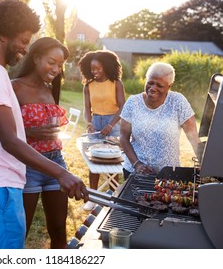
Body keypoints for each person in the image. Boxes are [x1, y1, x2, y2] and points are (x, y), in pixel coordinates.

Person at [0, 0, 88, 249]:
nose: (25, 48)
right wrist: (60, 173)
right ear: (3, 35)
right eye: (23, 40)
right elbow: (9, 140)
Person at [11, 37, 70, 248]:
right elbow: (3, 132)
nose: (56, 68)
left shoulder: (50, 88)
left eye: (60, 64)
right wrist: (31, 131)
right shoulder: (14, 88)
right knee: (20, 232)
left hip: (56, 162)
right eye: (52, 61)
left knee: (58, 229)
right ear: (36, 58)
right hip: (28, 166)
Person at [120, 62, 200, 178]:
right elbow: (123, 138)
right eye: (150, 83)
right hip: (135, 172)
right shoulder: (132, 103)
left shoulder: (178, 102)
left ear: (169, 86)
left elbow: (193, 137)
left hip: (169, 174)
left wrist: (206, 165)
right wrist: (137, 164)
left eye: (159, 85)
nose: (153, 88)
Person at [78, 50, 125, 195]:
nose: (95, 72)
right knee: (94, 160)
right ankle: (93, 195)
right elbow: (87, 108)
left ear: (105, 66)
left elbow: (123, 107)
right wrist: (89, 123)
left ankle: (113, 194)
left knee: (113, 161)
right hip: (96, 122)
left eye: (98, 68)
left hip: (114, 123)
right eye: (92, 69)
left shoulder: (116, 83)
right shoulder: (88, 86)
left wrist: (111, 125)